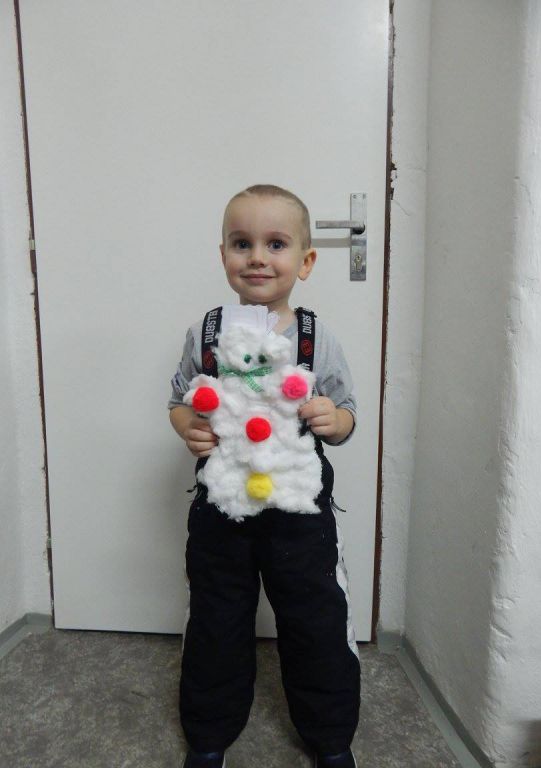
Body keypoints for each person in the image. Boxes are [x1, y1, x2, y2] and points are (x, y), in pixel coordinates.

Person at [168, 184, 361, 768]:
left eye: (276, 244)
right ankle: (208, 734)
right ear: (223, 255)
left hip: (299, 512)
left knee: (316, 620)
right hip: (223, 508)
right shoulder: (206, 333)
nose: (257, 257)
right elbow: (178, 401)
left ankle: (330, 737)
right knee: (216, 619)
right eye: (241, 243)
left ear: (305, 260)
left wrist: (334, 420)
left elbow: (347, 412)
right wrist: (188, 426)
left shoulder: (316, 337)